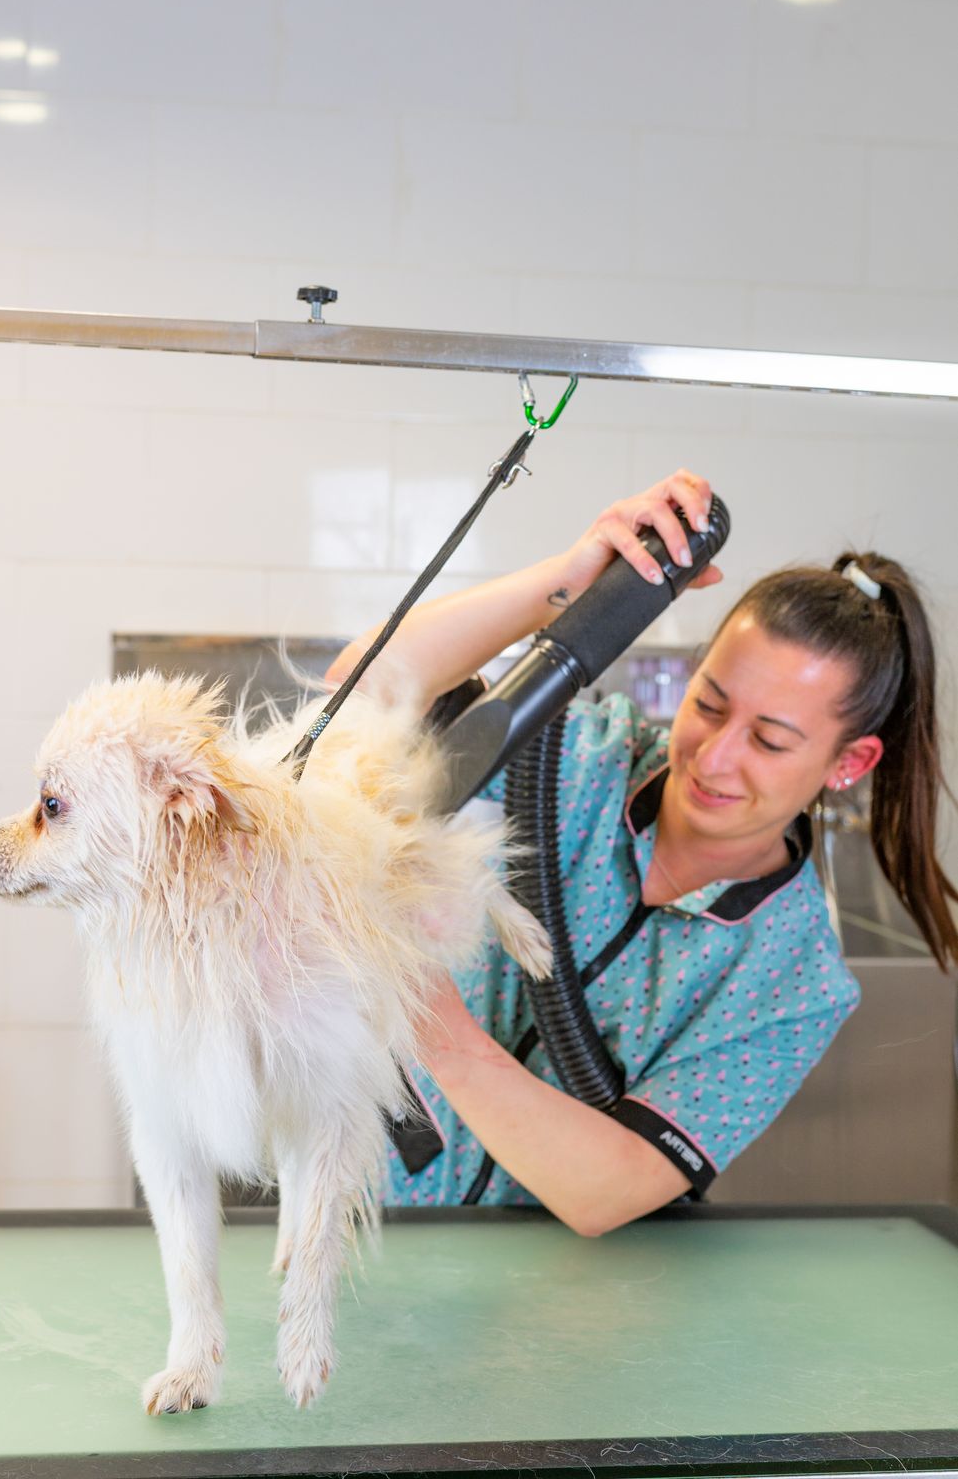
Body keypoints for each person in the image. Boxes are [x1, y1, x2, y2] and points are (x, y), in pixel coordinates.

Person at [326, 470, 958, 1236]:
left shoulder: (792, 981)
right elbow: (362, 695)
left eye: (767, 740)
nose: (714, 758)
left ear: (847, 765)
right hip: (344, 1207)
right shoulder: (570, 755)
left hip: (542, 1295)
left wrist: (434, 1021)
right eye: (709, 704)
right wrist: (564, 587)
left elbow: (607, 1192)